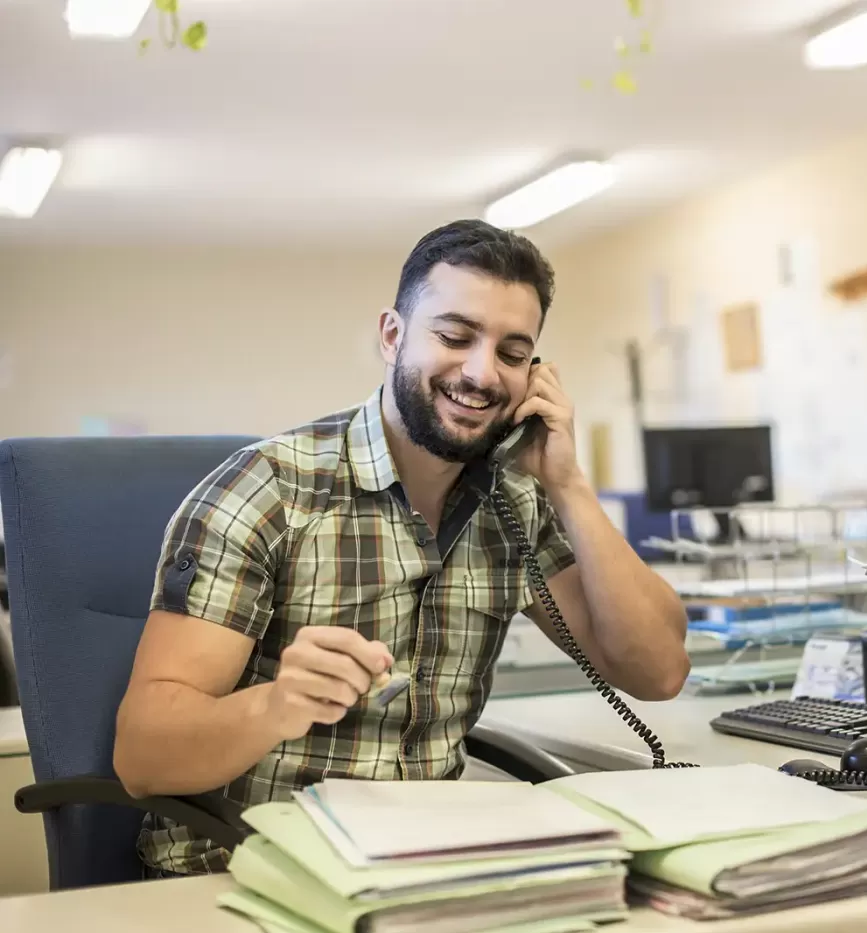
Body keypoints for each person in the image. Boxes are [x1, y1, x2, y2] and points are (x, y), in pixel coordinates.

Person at [113, 219, 691, 876]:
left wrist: (568, 481)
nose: (481, 372)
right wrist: (276, 704)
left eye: (511, 352)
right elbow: (142, 757)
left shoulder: (517, 500)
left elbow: (657, 670)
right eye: (454, 335)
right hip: (245, 872)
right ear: (393, 335)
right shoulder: (270, 489)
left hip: (418, 875)